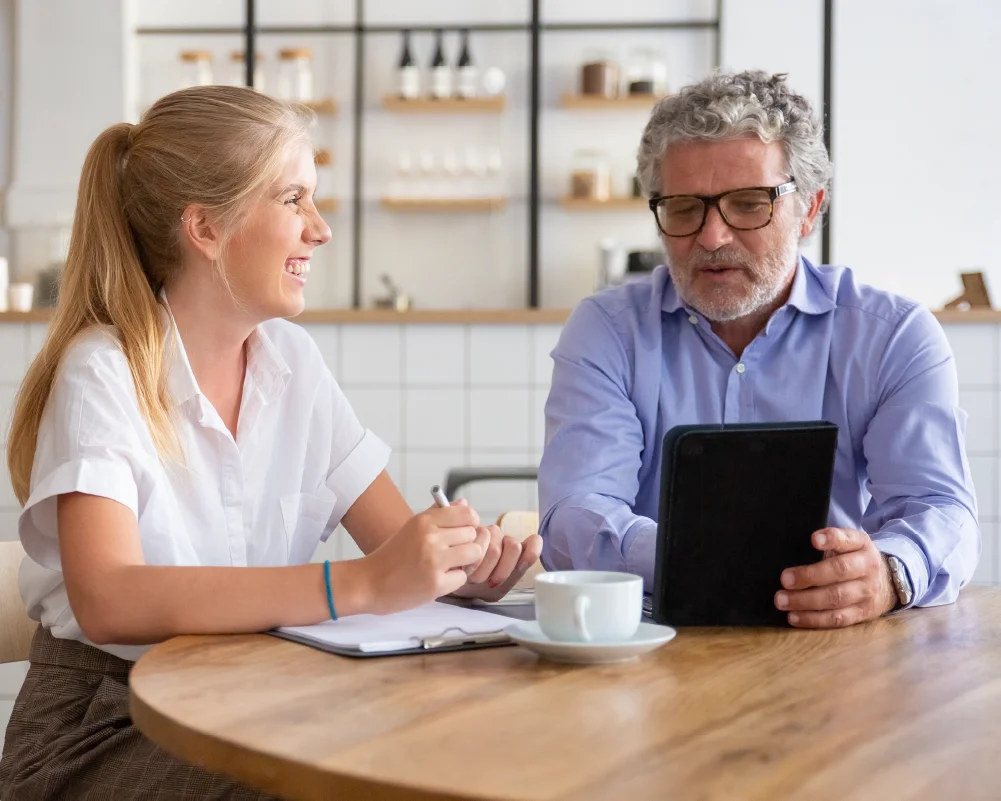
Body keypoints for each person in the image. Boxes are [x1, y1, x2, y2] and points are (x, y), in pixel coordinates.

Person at [0, 86, 542, 800]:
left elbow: (395, 543)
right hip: (103, 724)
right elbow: (109, 598)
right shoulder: (105, 368)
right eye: (293, 200)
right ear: (205, 229)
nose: (318, 229)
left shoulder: (294, 363)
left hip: (248, 700)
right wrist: (361, 582)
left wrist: (457, 567)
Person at [538, 70, 978, 629]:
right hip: (649, 643)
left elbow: (941, 511)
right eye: (683, 208)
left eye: (748, 204)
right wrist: (701, 557)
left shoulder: (893, 335)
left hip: (832, 644)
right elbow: (573, 516)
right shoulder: (606, 331)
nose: (712, 237)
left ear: (810, 210)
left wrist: (889, 573)